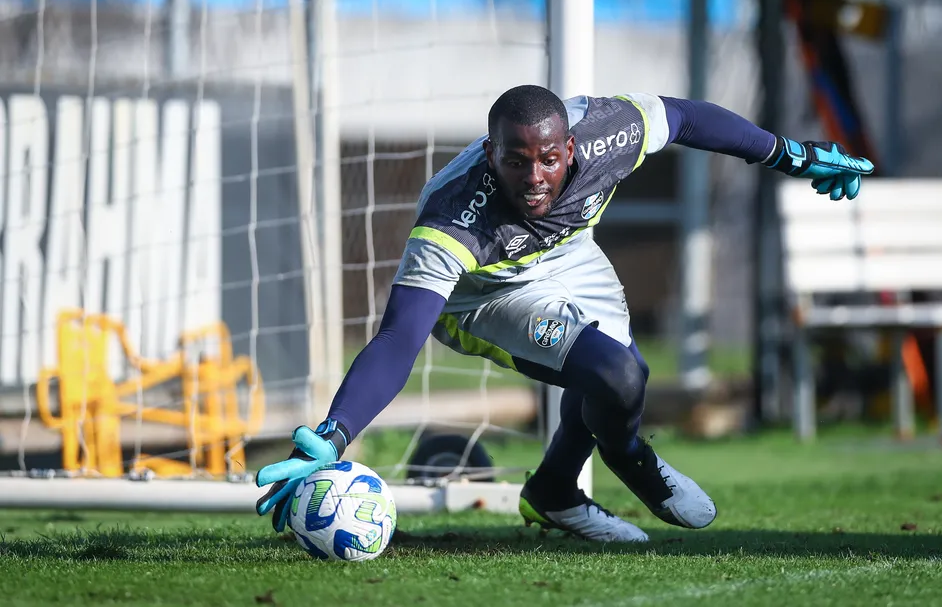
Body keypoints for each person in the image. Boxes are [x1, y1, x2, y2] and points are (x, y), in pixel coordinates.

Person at [255, 85, 874, 543]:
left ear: (571, 147)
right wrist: (335, 433)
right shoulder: (452, 222)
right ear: (488, 155)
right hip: (487, 295)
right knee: (619, 376)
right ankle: (631, 458)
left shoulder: (609, 132)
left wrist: (786, 153)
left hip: (570, 255)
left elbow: (684, 117)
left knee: (619, 372)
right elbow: (398, 338)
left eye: (548, 159)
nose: (533, 177)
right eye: (514, 161)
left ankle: (553, 491)